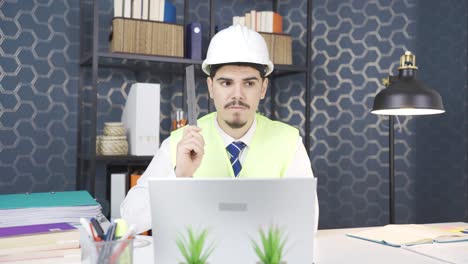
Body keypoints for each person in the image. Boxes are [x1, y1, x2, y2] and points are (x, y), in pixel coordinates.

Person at [121, 25, 318, 234]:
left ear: (263, 88)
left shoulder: (288, 142)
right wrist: (180, 175)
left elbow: (307, 224)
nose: (237, 94)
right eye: (226, 83)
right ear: (210, 87)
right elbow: (129, 220)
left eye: (249, 83)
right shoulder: (180, 142)